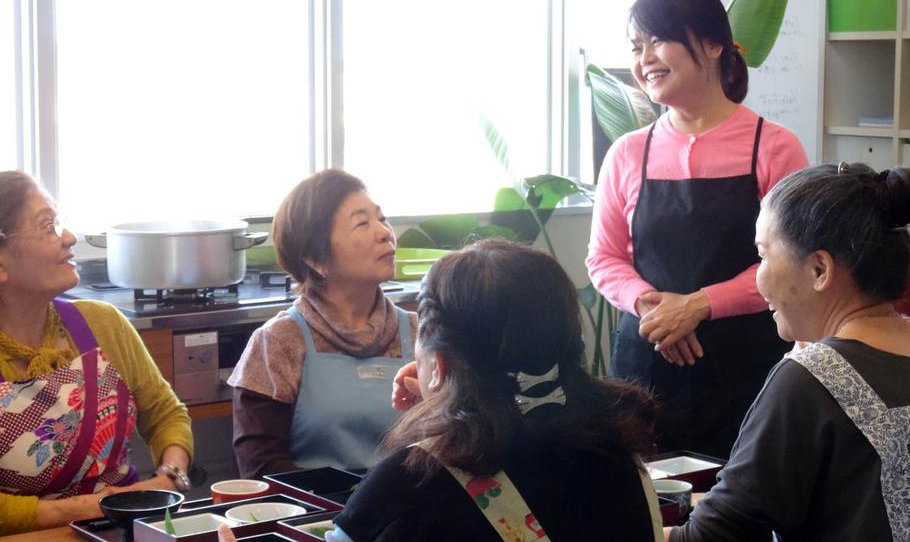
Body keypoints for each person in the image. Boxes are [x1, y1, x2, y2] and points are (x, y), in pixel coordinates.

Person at [586, 0, 808, 458]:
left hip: (743, 368)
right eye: (635, 46)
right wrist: (654, 307)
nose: (644, 58)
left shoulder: (773, 146)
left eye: (658, 40)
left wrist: (700, 305)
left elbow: (791, 262)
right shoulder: (627, 152)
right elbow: (604, 258)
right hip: (645, 369)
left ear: (712, 45)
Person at [322, 239, 662, 541]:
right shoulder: (621, 457)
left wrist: (440, 420)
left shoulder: (408, 486)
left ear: (438, 365)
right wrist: (447, 407)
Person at [668, 163, 910, 541]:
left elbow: (715, 536)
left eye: (763, 255)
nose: (760, 277)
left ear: (818, 270)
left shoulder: (812, 380)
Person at [0, 171, 193, 535]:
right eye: (48, 227)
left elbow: (166, 413)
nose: (69, 238)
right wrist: (97, 505)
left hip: (125, 529)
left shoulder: (103, 324)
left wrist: (171, 473)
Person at [228, 170, 417, 477]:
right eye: (362, 223)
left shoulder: (420, 332)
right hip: (314, 515)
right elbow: (261, 467)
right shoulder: (279, 341)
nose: (384, 232)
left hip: (406, 512)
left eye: (382, 219)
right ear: (316, 260)